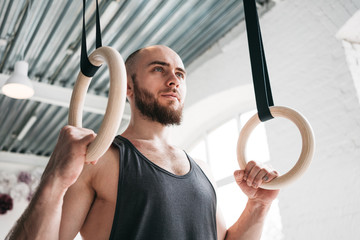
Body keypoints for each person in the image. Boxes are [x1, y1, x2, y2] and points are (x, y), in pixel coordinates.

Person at [6, 45, 279, 240]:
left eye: (180, 74)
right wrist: (54, 178)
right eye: (159, 69)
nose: (173, 80)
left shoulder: (202, 169)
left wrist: (259, 205)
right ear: (128, 87)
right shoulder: (97, 159)